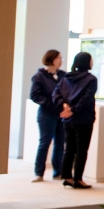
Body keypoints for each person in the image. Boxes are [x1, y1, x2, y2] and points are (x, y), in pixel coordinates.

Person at [54, 52, 98, 190]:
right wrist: (73, 109)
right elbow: (87, 99)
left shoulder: (66, 78)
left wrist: (65, 106)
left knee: (69, 148)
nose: (92, 62)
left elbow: (56, 93)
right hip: (84, 119)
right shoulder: (91, 79)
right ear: (87, 62)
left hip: (68, 119)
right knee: (81, 150)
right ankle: (78, 179)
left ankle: (67, 177)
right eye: (91, 59)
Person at [29, 50, 66, 182]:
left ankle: (58, 172)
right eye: (59, 58)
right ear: (52, 59)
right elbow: (34, 95)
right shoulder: (39, 76)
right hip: (46, 113)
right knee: (44, 143)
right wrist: (51, 103)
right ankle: (39, 172)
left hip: (61, 113)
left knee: (60, 143)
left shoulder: (63, 75)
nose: (61, 61)